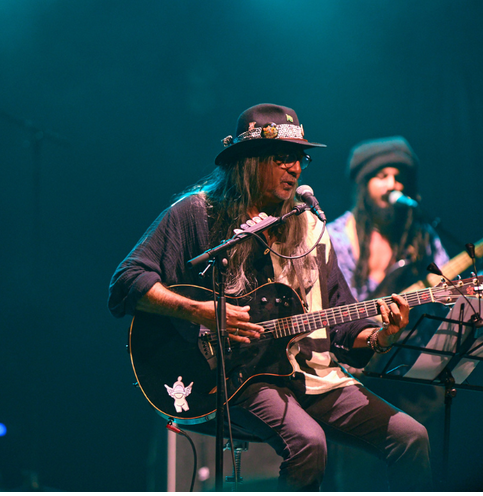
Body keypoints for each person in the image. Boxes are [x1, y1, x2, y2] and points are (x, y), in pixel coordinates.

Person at [109, 104, 432, 491]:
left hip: (313, 376)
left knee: (412, 437)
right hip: (238, 376)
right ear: (249, 161)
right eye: (283, 158)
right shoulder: (197, 213)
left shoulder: (311, 225)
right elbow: (127, 281)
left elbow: (345, 323)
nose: (294, 169)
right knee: (308, 444)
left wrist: (382, 337)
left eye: (300, 159)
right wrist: (200, 311)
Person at [326, 136, 449, 303]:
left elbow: (450, 290)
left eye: (398, 178)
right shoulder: (334, 239)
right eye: (382, 176)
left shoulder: (420, 236)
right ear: (365, 185)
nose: (392, 185)